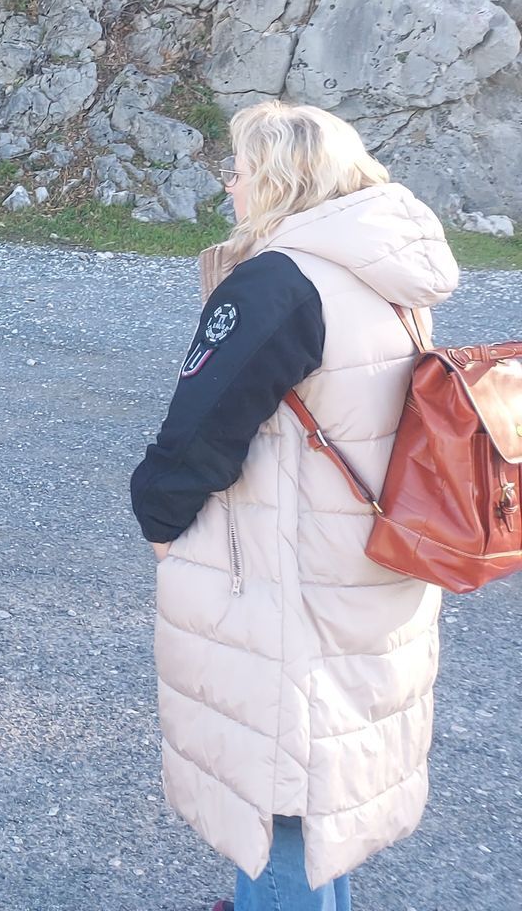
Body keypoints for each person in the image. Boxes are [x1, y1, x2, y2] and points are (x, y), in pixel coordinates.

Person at [129, 101, 457, 911]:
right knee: (322, 777)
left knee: (279, 784)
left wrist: (160, 522)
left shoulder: (281, 281)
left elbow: (201, 428)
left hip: (291, 572)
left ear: (279, 178)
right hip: (368, 560)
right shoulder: (383, 267)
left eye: (240, 168)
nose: (230, 184)